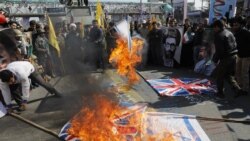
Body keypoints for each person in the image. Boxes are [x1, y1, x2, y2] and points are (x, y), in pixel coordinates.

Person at [212, 20, 247, 98]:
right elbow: (235, 44)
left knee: (219, 76)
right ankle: (238, 89)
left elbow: (219, 50)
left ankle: (220, 93)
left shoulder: (219, 35)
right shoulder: (229, 32)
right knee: (228, 75)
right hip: (234, 56)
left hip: (226, 58)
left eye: (214, 28)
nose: (214, 29)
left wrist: (215, 60)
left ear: (217, 27)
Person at [232, 16, 250, 94]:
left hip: (246, 56)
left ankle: (245, 89)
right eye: (234, 25)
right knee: (237, 72)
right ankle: (239, 87)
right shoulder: (236, 33)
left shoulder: (246, 32)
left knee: (244, 73)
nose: (234, 26)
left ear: (241, 25)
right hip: (239, 55)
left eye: (236, 25)